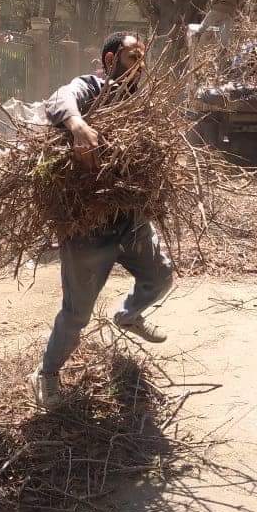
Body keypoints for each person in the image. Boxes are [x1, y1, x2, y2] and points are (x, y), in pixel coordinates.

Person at [30, 32, 174, 410]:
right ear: (110, 60)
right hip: (88, 227)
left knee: (161, 276)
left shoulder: (140, 102)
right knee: (77, 314)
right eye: (131, 57)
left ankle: (128, 315)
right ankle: (46, 373)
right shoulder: (91, 88)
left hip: (130, 218)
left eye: (142, 57)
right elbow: (59, 98)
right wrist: (77, 126)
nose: (140, 64)